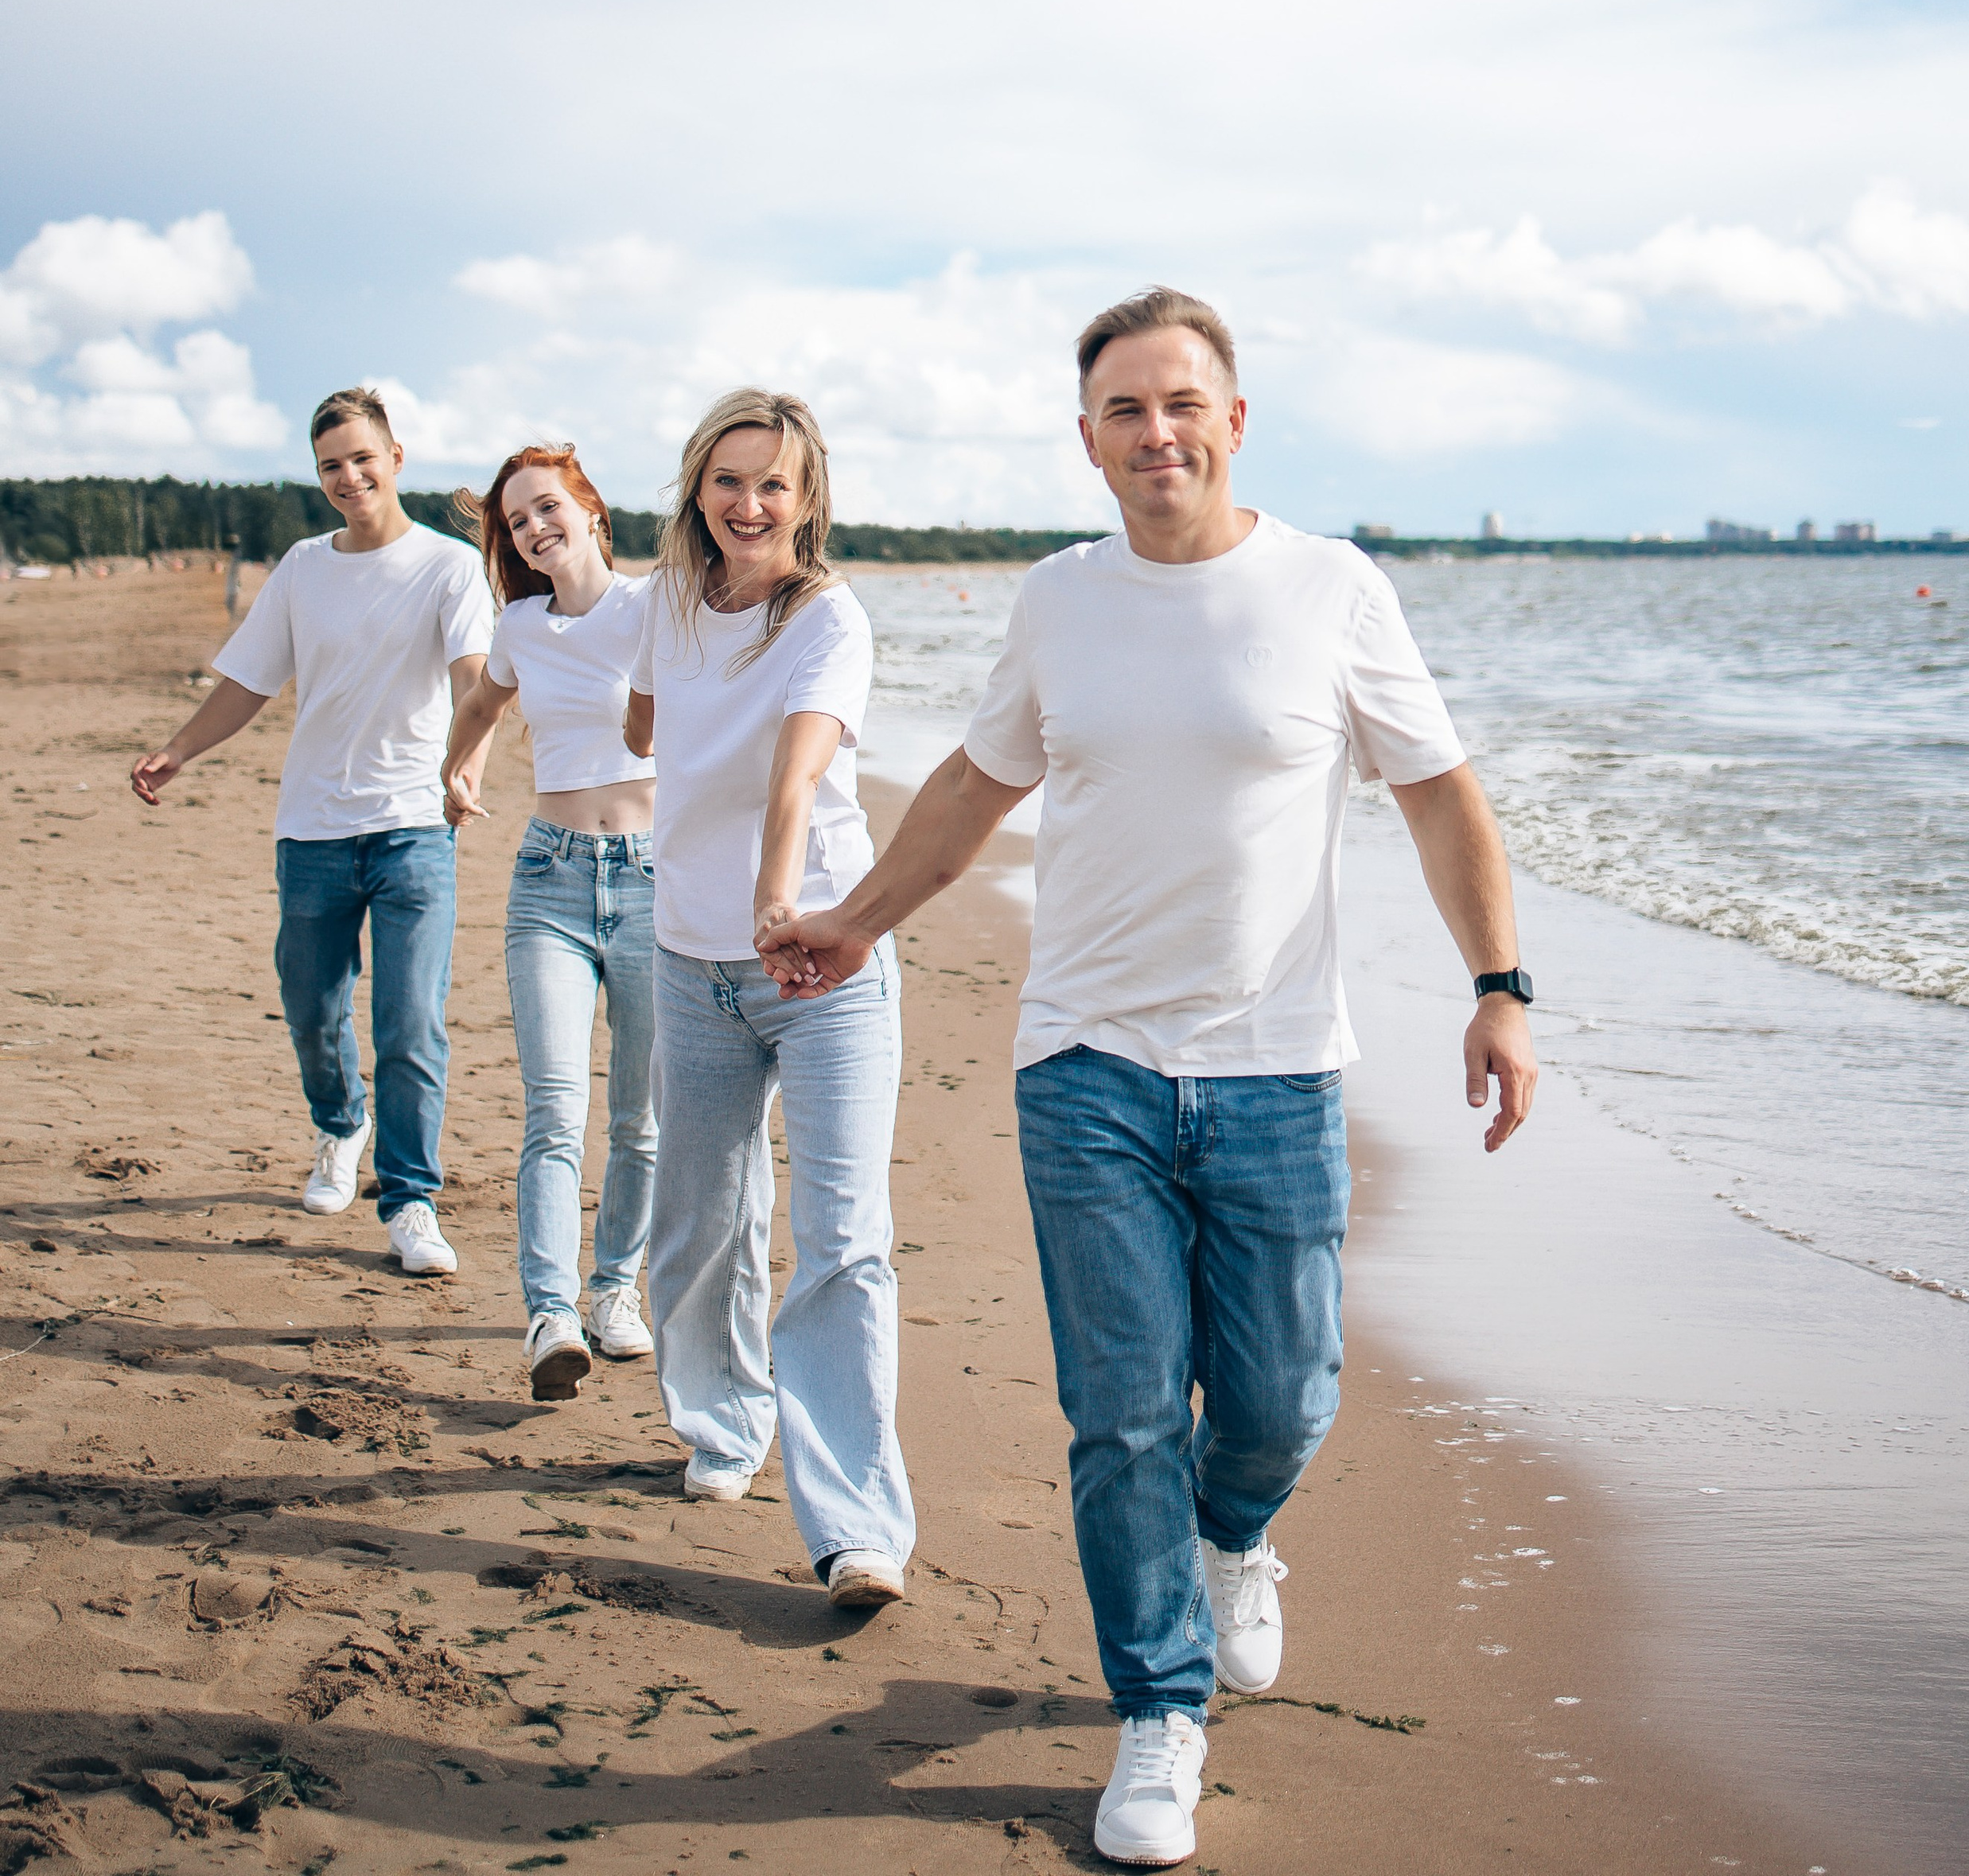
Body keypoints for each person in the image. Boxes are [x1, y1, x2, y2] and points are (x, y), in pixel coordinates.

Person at [764, 288, 1539, 1868]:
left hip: (1274, 1071)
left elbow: (1441, 798)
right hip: (1086, 1067)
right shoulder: (1058, 604)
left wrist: (1499, 988)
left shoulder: (1328, 590)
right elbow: (976, 782)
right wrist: (853, 922)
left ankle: (1235, 1539)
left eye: (1180, 403)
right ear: (1087, 441)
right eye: (1123, 410)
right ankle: (1155, 1713)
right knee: (1121, 1415)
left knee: (1278, 1397)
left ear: (1233, 421)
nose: (1155, 432)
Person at [624, 387, 914, 1611]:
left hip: (821, 963)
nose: (750, 504)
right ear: (698, 487)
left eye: (774, 486)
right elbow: (646, 726)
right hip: (689, 968)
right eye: (729, 480)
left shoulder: (828, 619)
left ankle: (856, 1534)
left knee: (842, 1244)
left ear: (807, 501)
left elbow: (797, 777)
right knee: (700, 1224)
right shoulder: (670, 605)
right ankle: (724, 1425)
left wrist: (777, 903)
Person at [130, 387, 495, 1279]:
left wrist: (468, 762)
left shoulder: (449, 567)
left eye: (362, 458)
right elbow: (249, 681)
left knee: (410, 1023)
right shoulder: (301, 568)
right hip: (313, 831)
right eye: (331, 465)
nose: (349, 476)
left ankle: (410, 1200)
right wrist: (180, 750)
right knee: (311, 1008)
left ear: (396, 457)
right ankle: (341, 1126)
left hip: (412, 826)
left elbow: (476, 677)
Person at [441, 444, 660, 1401]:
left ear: (590, 510)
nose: (534, 526)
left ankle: (615, 1292)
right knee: (555, 1108)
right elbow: (483, 701)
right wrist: (456, 771)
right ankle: (550, 1315)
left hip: (658, 882)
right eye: (517, 519)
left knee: (643, 1120)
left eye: (546, 506)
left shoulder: (656, 608)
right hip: (549, 882)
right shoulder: (522, 623)